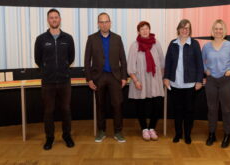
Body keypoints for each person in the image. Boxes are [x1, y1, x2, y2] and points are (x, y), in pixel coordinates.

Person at [34, 8, 75, 150]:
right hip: (48, 82)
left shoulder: (68, 38)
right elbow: (38, 59)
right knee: (48, 112)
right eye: (51, 17)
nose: (54, 20)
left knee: (66, 110)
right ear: (48, 20)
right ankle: (49, 138)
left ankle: (67, 135)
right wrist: (48, 70)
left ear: (60, 19)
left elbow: (71, 58)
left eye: (56, 17)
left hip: (64, 81)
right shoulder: (41, 39)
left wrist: (62, 67)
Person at [84, 12, 127, 143]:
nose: (104, 24)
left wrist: (124, 77)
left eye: (106, 21)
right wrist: (89, 79)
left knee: (117, 105)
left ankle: (118, 132)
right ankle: (101, 131)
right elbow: (87, 60)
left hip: (115, 77)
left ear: (110, 23)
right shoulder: (91, 39)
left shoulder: (117, 38)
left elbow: (123, 60)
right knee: (100, 105)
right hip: (99, 76)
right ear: (98, 24)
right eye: (101, 22)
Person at [163, 19, 204, 144]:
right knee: (177, 110)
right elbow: (168, 62)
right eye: (182, 28)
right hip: (175, 84)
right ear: (178, 29)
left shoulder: (195, 44)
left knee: (189, 111)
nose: (185, 30)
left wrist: (199, 80)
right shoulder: (173, 43)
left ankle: (187, 135)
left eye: (187, 28)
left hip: (190, 84)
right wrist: (166, 77)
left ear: (190, 30)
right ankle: (178, 134)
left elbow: (199, 64)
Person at [202, 19, 230, 148]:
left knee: (227, 109)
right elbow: (202, 61)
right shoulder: (206, 46)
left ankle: (227, 134)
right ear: (212, 31)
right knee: (212, 109)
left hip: (226, 81)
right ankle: (211, 134)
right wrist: (205, 69)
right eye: (216, 28)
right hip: (211, 81)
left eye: (220, 28)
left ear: (224, 31)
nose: (218, 31)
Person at [127, 21, 164, 141]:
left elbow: (162, 62)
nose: (144, 31)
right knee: (140, 105)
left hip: (155, 80)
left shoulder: (156, 43)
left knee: (157, 105)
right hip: (140, 80)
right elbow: (130, 67)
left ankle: (152, 128)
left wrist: (161, 79)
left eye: (146, 28)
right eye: (142, 29)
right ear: (138, 31)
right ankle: (144, 129)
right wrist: (136, 81)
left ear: (149, 30)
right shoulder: (134, 45)